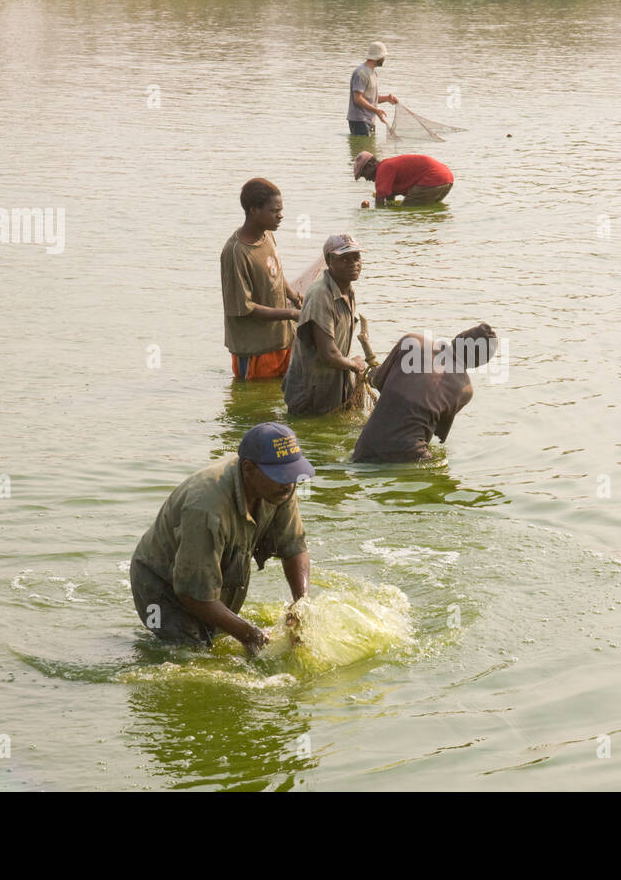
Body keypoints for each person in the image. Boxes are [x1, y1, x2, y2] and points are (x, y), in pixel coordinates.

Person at [129, 423, 314, 655]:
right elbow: (192, 593)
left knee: (216, 640)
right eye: (280, 475)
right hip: (159, 588)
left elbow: (293, 546)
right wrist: (249, 634)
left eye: (292, 473)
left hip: (208, 572)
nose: (289, 483)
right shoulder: (206, 508)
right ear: (248, 468)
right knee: (188, 657)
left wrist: (300, 606)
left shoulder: (279, 486)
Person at [352, 324, 497, 463]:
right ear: (480, 362)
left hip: (365, 448)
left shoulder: (412, 341)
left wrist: (372, 377)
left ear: (458, 338)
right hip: (413, 456)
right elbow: (439, 434)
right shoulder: (465, 389)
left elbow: (379, 381)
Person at [221, 178, 301, 380]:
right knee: (255, 405)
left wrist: (293, 296)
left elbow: (276, 275)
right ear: (254, 210)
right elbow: (244, 307)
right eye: (274, 211)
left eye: (281, 210)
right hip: (256, 350)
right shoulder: (236, 252)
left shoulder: (267, 236)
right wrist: (290, 314)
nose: (280, 216)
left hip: (283, 340)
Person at [283, 235, 367, 417]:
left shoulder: (347, 290)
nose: (353, 264)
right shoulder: (321, 295)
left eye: (356, 258)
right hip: (311, 393)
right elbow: (328, 353)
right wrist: (354, 364)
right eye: (344, 259)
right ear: (329, 261)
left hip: (332, 387)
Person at [353, 152, 454, 206]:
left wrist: (378, 218)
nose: (366, 179)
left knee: (407, 209)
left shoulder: (383, 169)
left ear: (370, 165)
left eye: (363, 174)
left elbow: (380, 198)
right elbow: (389, 196)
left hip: (433, 178)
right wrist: (389, 206)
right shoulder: (387, 166)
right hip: (447, 178)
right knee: (427, 208)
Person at [347, 42, 398, 137]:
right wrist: (376, 110)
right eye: (383, 57)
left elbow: (371, 98)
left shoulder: (373, 73)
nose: (384, 59)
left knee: (370, 150)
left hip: (368, 120)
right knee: (363, 150)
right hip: (359, 121)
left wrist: (387, 98)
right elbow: (357, 99)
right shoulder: (361, 73)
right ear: (378, 57)